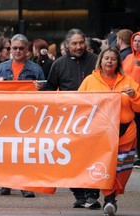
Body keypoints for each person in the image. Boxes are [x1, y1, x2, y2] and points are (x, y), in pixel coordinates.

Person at [35, 28, 100, 209]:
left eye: (81, 43)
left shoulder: (97, 61)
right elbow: (50, 89)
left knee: (92, 156)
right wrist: (39, 88)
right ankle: (79, 195)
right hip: (69, 120)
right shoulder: (59, 64)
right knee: (71, 157)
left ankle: (91, 194)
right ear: (67, 45)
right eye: (74, 43)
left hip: (95, 118)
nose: (78, 46)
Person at [78, 46, 140, 216]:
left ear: (118, 62)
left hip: (125, 133)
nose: (109, 61)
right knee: (106, 167)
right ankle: (109, 199)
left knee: (122, 170)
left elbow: (139, 107)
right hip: (100, 132)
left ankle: (111, 195)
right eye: (106, 58)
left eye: (113, 58)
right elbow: (79, 104)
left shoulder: (128, 81)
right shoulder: (90, 80)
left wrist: (134, 94)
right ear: (101, 61)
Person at [0, 33, 44, 198]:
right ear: (9, 50)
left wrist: (40, 88)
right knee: (5, 149)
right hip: (5, 116)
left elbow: (45, 94)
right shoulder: (0, 68)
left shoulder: (36, 70)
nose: (18, 51)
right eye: (14, 48)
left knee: (25, 151)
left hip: (27, 118)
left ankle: (26, 184)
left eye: (21, 48)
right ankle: (6, 183)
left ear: (27, 49)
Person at [122, 31, 140, 169]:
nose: (137, 43)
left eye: (139, 41)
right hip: (128, 98)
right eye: (135, 40)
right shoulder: (128, 57)